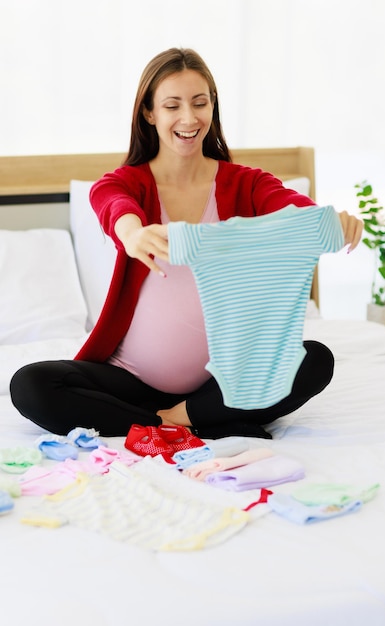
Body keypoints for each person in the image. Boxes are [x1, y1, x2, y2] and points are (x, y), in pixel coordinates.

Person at [10, 47, 363, 440]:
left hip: (225, 379)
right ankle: (184, 421)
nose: (189, 118)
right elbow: (112, 204)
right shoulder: (127, 182)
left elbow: (293, 209)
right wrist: (133, 234)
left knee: (315, 359)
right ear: (150, 113)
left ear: (213, 106)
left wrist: (327, 220)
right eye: (172, 105)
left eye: (200, 103)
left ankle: (182, 414)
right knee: (31, 385)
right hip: (133, 381)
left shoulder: (246, 183)